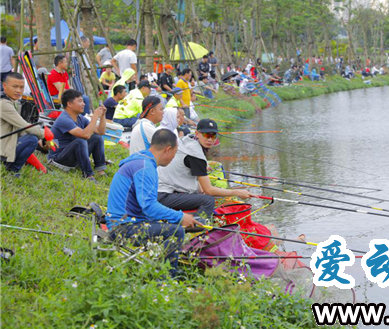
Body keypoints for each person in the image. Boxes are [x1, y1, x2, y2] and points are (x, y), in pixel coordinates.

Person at [106, 129, 201, 278]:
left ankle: (158, 267)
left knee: (169, 223)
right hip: (122, 228)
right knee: (176, 231)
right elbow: (149, 206)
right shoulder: (145, 167)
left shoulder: (141, 160)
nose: (173, 159)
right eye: (175, 154)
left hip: (124, 222)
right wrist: (180, 217)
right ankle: (166, 279)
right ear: (167, 150)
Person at [158, 119, 256, 218]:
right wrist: (236, 192)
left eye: (213, 135)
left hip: (159, 190)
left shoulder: (187, 141)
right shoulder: (195, 154)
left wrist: (202, 190)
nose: (210, 139)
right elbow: (208, 190)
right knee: (208, 201)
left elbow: (197, 181)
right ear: (197, 133)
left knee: (202, 194)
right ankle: (195, 224)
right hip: (163, 195)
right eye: (206, 135)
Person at [48, 89, 107, 181]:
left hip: (73, 156)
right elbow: (85, 135)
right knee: (80, 141)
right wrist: (95, 117)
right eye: (80, 101)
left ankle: (100, 170)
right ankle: (88, 175)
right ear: (69, 104)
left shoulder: (80, 118)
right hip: (58, 159)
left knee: (97, 138)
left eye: (83, 101)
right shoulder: (64, 119)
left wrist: (102, 116)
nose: (83, 104)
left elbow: (101, 132)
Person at [0, 73, 50, 175]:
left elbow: (19, 129)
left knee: (31, 139)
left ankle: (11, 166)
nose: (18, 90)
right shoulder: (3, 104)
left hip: (5, 145)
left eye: (21, 87)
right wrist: (46, 134)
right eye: (15, 87)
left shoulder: (13, 102)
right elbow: (24, 126)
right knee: (31, 140)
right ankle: (12, 170)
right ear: (4, 85)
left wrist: (40, 137)